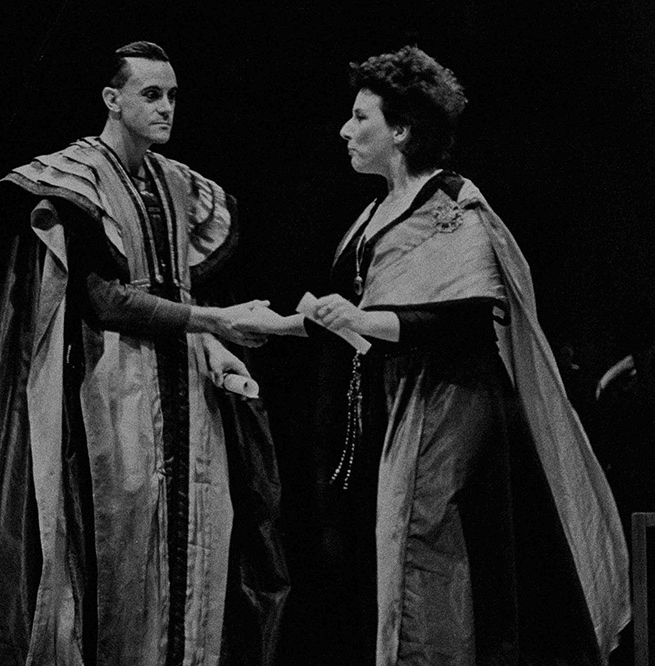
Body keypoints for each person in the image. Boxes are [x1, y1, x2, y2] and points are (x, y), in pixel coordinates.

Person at [237, 46, 630, 664]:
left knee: (420, 542)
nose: (345, 129)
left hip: (448, 398)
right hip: (393, 400)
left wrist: (361, 319)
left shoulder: (450, 204)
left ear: (401, 130)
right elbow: (353, 310)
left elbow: (464, 317)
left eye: (361, 118)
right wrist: (276, 325)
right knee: (389, 545)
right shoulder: (373, 213)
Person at [0, 41, 288, 666]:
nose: (167, 107)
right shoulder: (73, 177)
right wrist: (211, 319)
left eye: (172, 95)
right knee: (119, 545)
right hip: (112, 385)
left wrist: (213, 342)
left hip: (187, 391)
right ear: (112, 100)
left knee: (194, 542)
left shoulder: (176, 183)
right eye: (151, 94)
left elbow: (178, 285)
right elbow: (101, 300)